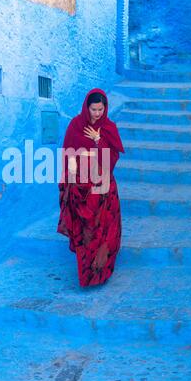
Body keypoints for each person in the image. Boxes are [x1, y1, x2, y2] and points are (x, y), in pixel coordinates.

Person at [57, 88, 125, 287]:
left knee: (104, 230)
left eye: (101, 109)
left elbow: (112, 159)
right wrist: (70, 181)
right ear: (87, 108)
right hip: (81, 188)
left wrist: (98, 140)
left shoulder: (109, 128)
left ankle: (102, 272)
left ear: (105, 108)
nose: (97, 114)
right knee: (86, 232)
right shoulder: (75, 125)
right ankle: (88, 274)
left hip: (103, 189)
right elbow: (68, 153)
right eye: (94, 109)